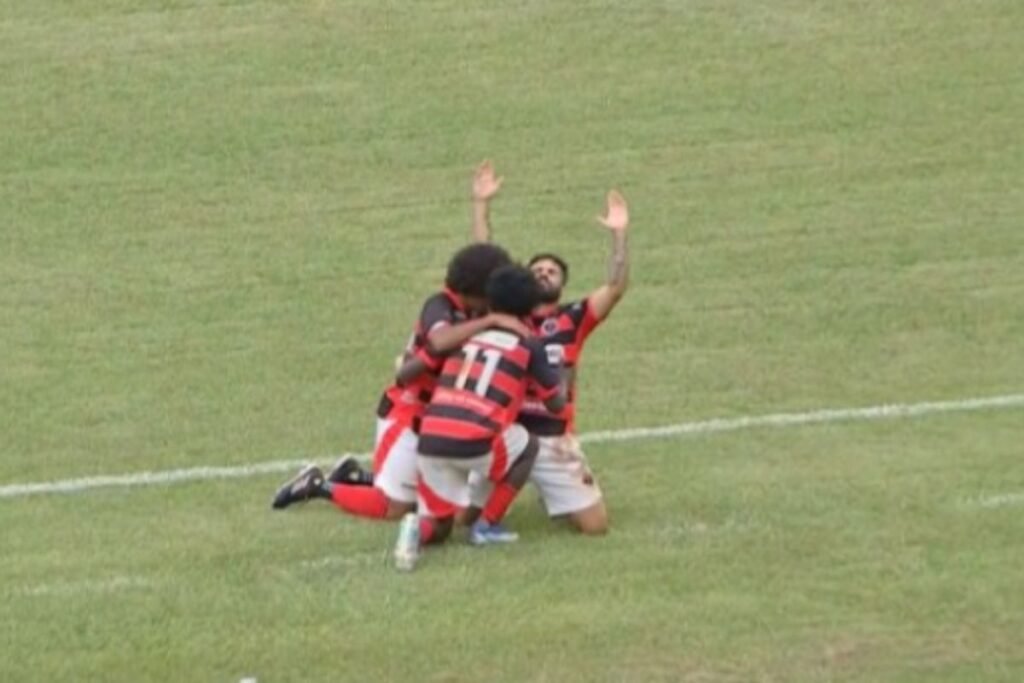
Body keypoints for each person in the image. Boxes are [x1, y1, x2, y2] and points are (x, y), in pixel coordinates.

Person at [270, 242, 529, 519]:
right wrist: (488, 323)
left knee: (440, 502)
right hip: (409, 414)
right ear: (473, 290)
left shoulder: (475, 308)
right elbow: (439, 341)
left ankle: (355, 476)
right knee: (394, 508)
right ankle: (319, 486)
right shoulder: (439, 306)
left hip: (444, 418)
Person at [468, 161, 630, 535]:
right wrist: (481, 205)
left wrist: (619, 235)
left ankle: (550, 489)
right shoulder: (506, 311)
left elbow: (616, 286)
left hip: (553, 438)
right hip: (506, 433)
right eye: (536, 269)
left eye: (551, 271)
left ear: (562, 284)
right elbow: (483, 258)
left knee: (595, 527)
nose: (543, 272)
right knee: (462, 521)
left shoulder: (575, 319)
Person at [392, 264, 567, 570]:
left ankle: (415, 530)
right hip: (473, 443)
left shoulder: (462, 336)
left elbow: (405, 373)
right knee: (528, 446)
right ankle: (486, 526)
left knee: (442, 526)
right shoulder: (529, 344)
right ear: (531, 305)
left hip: (431, 439)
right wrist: (561, 373)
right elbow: (556, 404)